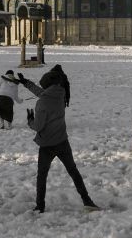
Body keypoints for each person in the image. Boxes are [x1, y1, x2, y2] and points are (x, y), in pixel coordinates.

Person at [17, 70, 99, 213]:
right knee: (73, 171)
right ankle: (87, 201)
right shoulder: (60, 94)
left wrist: (30, 120)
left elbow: (38, 126)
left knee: (42, 176)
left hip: (47, 145)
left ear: (47, 85)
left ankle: (40, 206)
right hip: (62, 141)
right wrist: (26, 83)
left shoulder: (42, 102)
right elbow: (42, 93)